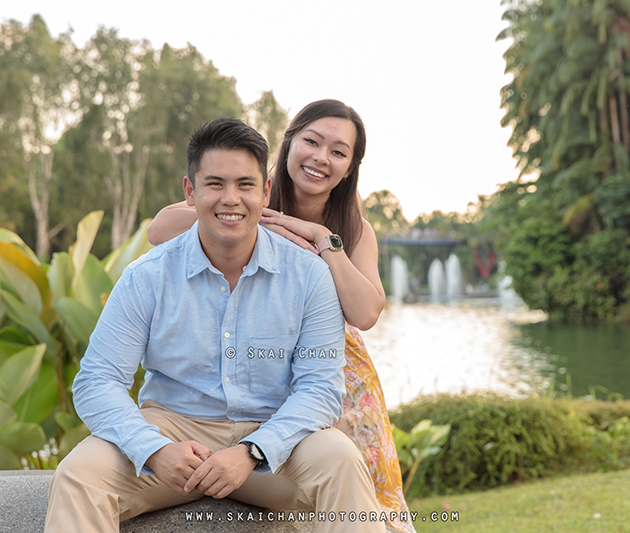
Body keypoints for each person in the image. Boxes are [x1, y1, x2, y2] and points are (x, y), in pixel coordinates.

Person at [45, 118, 386, 533]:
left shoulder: (310, 275)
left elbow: (320, 389)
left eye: (245, 185)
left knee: (341, 460)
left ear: (265, 192)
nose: (231, 199)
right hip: (172, 429)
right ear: (190, 192)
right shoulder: (147, 276)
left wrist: (251, 452)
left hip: (275, 436)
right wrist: (154, 450)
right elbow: (97, 380)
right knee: (80, 474)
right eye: (214, 184)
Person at [147, 100, 415, 533]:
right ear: (288, 144)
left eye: (338, 152)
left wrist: (321, 240)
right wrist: (262, 221)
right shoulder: (246, 192)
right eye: (311, 141)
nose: (320, 158)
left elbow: (366, 312)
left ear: (349, 168)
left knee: (363, 498)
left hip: (330, 370)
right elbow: (159, 230)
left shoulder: (353, 227)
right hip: (259, 355)